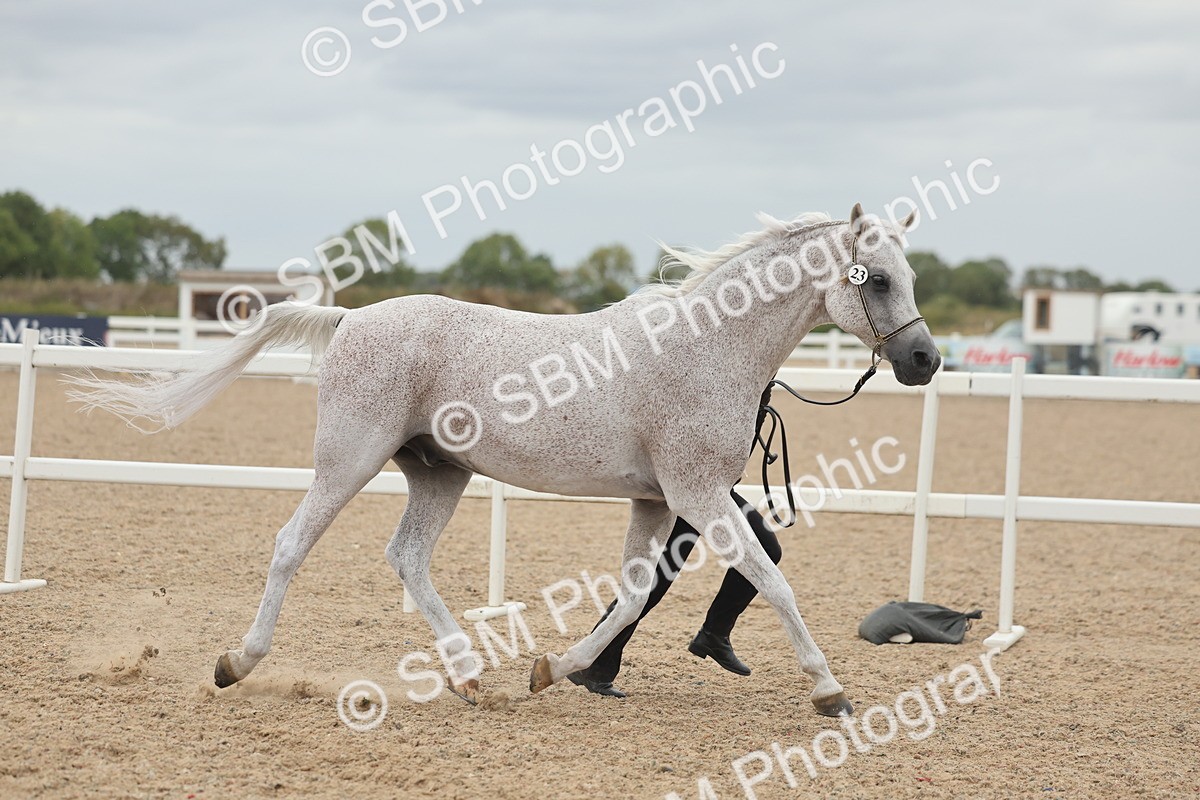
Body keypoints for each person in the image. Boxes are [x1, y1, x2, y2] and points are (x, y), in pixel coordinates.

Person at [567, 387, 782, 698]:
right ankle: (597, 661)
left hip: (705, 492)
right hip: (688, 490)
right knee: (653, 581)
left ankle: (713, 633)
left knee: (763, 551)